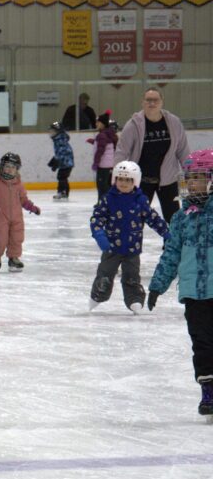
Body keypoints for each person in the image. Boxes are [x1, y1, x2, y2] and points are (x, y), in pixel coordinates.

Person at [147, 148, 213, 419]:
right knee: (202, 343)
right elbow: (171, 254)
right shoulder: (180, 218)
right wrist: (157, 285)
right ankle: (208, 391)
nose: (193, 183)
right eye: (190, 178)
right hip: (193, 293)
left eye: (199, 176)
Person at [89, 160, 169, 313]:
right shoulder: (108, 199)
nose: (123, 183)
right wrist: (100, 236)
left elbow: (153, 218)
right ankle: (97, 297)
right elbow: (96, 219)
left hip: (133, 248)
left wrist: (166, 233)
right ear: (115, 180)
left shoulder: (140, 200)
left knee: (132, 277)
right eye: (120, 179)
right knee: (105, 275)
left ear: (135, 181)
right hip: (111, 248)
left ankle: (135, 300)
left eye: (128, 180)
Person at [114, 86, 190, 223]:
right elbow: (121, 151)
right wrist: (117, 176)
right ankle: (133, 244)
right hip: (140, 182)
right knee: (136, 219)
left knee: (173, 219)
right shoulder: (133, 125)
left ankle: (171, 244)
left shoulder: (174, 122)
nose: (152, 103)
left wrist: (190, 173)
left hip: (168, 180)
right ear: (142, 102)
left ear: (162, 102)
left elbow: (182, 150)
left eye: (155, 100)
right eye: (148, 100)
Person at [0, 153, 41, 272]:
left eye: (13, 167)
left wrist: (32, 208)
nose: (10, 169)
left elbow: (24, 200)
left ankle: (14, 258)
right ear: (2, 167)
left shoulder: (19, 184)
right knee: (0, 238)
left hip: (17, 218)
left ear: (17, 170)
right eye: (7, 166)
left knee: (17, 238)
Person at [88, 113, 118, 202]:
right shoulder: (110, 134)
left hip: (103, 165)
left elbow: (100, 150)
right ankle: (109, 202)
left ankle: (102, 204)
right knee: (107, 185)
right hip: (110, 164)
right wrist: (94, 141)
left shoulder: (102, 135)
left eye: (98, 122)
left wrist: (96, 163)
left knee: (101, 186)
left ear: (103, 123)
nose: (96, 124)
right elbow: (107, 146)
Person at [48, 121, 75, 200]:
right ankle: (64, 192)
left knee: (61, 177)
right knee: (63, 177)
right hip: (66, 162)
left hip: (66, 162)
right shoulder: (58, 139)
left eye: (52, 131)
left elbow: (63, 152)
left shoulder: (60, 139)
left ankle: (62, 192)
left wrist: (57, 161)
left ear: (58, 131)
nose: (50, 133)